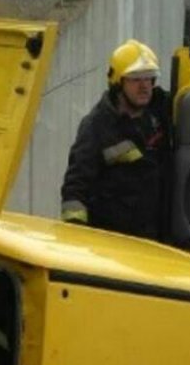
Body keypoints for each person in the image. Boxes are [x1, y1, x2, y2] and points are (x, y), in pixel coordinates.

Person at [60, 40, 172, 239]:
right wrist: (76, 236)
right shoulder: (97, 126)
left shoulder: (162, 112)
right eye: (135, 79)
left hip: (157, 240)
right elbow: (76, 187)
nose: (144, 86)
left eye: (149, 78)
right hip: (114, 243)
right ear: (118, 83)